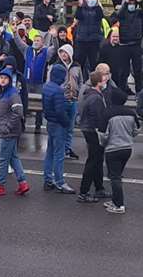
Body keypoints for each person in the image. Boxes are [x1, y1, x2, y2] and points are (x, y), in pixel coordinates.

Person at [0, 69, 30, 196]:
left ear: (9, 80)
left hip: (8, 132)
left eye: (5, 78)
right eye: (1, 77)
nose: (2, 80)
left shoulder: (12, 94)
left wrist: (7, 127)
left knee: (2, 159)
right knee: (13, 157)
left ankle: (0, 185)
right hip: (7, 131)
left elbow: (18, 112)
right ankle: (23, 183)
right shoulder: (3, 92)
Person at [74, 68, 111, 204]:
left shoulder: (88, 94)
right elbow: (98, 117)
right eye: (103, 78)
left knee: (96, 159)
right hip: (93, 131)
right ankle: (84, 192)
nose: (106, 80)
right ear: (99, 82)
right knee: (93, 160)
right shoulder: (96, 98)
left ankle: (99, 187)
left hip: (88, 129)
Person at [40, 63, 75, 192]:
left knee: (50, 152)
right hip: (59, 124)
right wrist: (67, 123)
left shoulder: (46, 87)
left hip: (50, 123)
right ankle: (60, 182)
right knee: (59, 154)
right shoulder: (58, 91)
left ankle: (48, 179)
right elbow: (60, 111)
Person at [101, 95, 137, 214]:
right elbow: (136, 130)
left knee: (114, 177)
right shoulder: (131, 113)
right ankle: (115, 200)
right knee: (117, 174)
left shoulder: (108, 113)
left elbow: (104, 134)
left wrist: (103, 144)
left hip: (112, 149)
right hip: (127, 148)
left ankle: (119, 204)